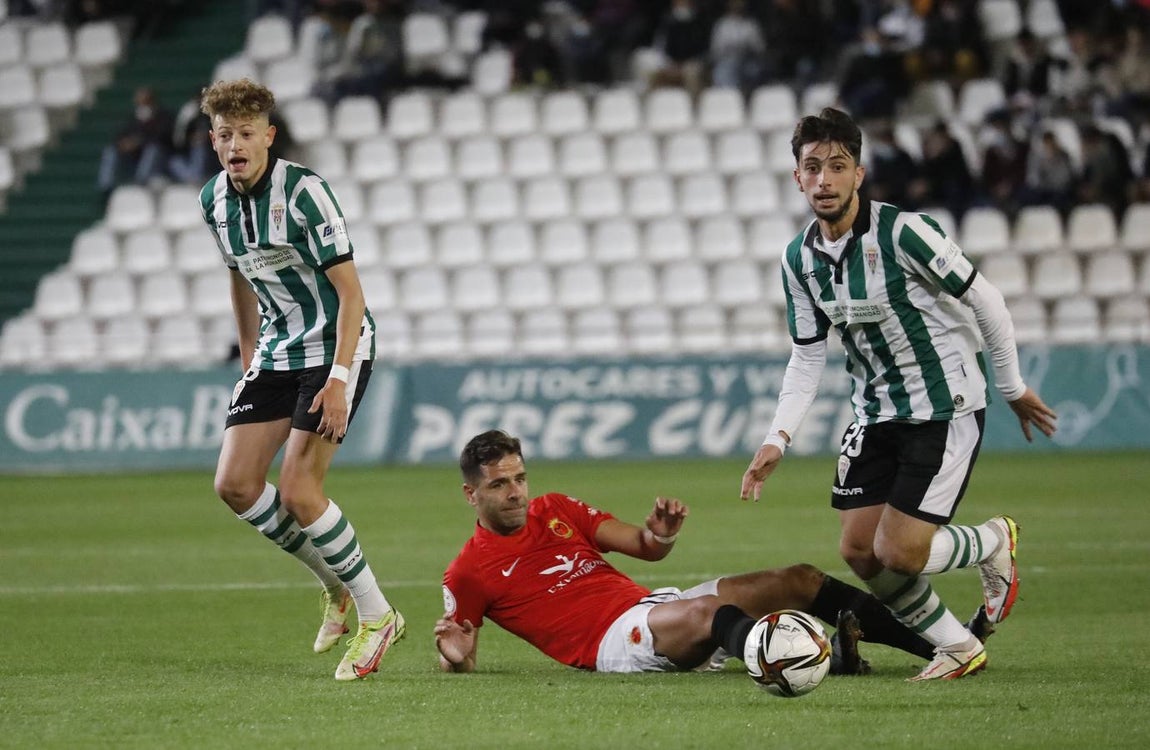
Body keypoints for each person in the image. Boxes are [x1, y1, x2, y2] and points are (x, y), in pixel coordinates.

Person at [739, 108, 1058, 681]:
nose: (824, 180)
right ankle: (957, 646)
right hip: (876, 412)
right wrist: (777, 438)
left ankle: (990, 542)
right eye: (813, 168)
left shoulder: (904, 232)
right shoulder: (798, 259)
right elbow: (808, 353)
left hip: (945, 407)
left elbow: (987, 301)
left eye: (837, 167)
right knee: (860, 551)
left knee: (901, 553)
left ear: (858, 174)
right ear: (797, 178)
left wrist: (1009, 385)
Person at [434, 430, 991, 676]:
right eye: (500, 485)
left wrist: (661, 533)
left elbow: (646, 548)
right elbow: (462, 650)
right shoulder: (467, 571)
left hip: (652, 605)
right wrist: (455, 657)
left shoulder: (555, 508)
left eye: (520, 478)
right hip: (612, 644)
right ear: (471, 494)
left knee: (796, 578)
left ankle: (941, 647)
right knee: (707, 616)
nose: (515, 492)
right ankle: (797, 659)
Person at [197, 78, 403, 682]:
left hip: (334, 345)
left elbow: (351, 293)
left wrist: (338, 378)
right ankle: (335, 586)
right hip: (276, 350)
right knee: (234, 484)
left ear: (269, 136)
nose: (236, 143)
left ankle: (377, 614)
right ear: (214, 141)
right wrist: (247, 358)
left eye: (246, 133)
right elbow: (238, 277)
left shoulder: (306, 193)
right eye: (225, 134)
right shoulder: (212, 201)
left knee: (299, 491)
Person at [96, 86, 174, 198]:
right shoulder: (134, 117)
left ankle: (139, 184)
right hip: (134, 158)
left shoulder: (163, 116)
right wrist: (124, 143)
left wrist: (139, 142)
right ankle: (106, 186)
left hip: (159, 160)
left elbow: (162, 137)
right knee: (111, 151)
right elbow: (120, 135)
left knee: (152, 149)